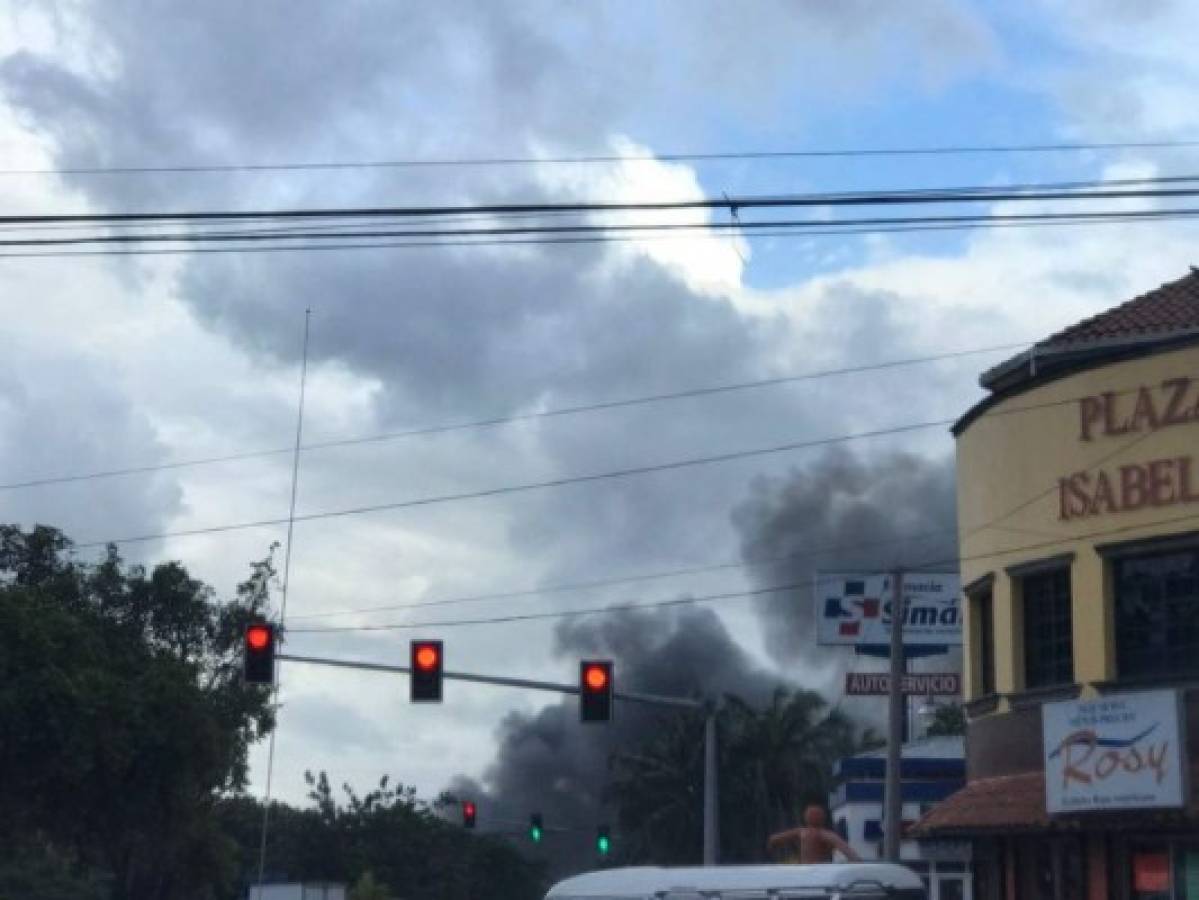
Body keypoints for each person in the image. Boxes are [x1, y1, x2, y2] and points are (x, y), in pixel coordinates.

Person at [766, 805, 862, 864]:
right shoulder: (824, 834)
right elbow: (844, 847)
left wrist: (771, 848)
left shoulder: (801, 832)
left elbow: (774, 839)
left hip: (805, 870)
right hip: (819, 869)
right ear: (823, 818)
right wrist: (856, 860)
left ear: (806, 818)